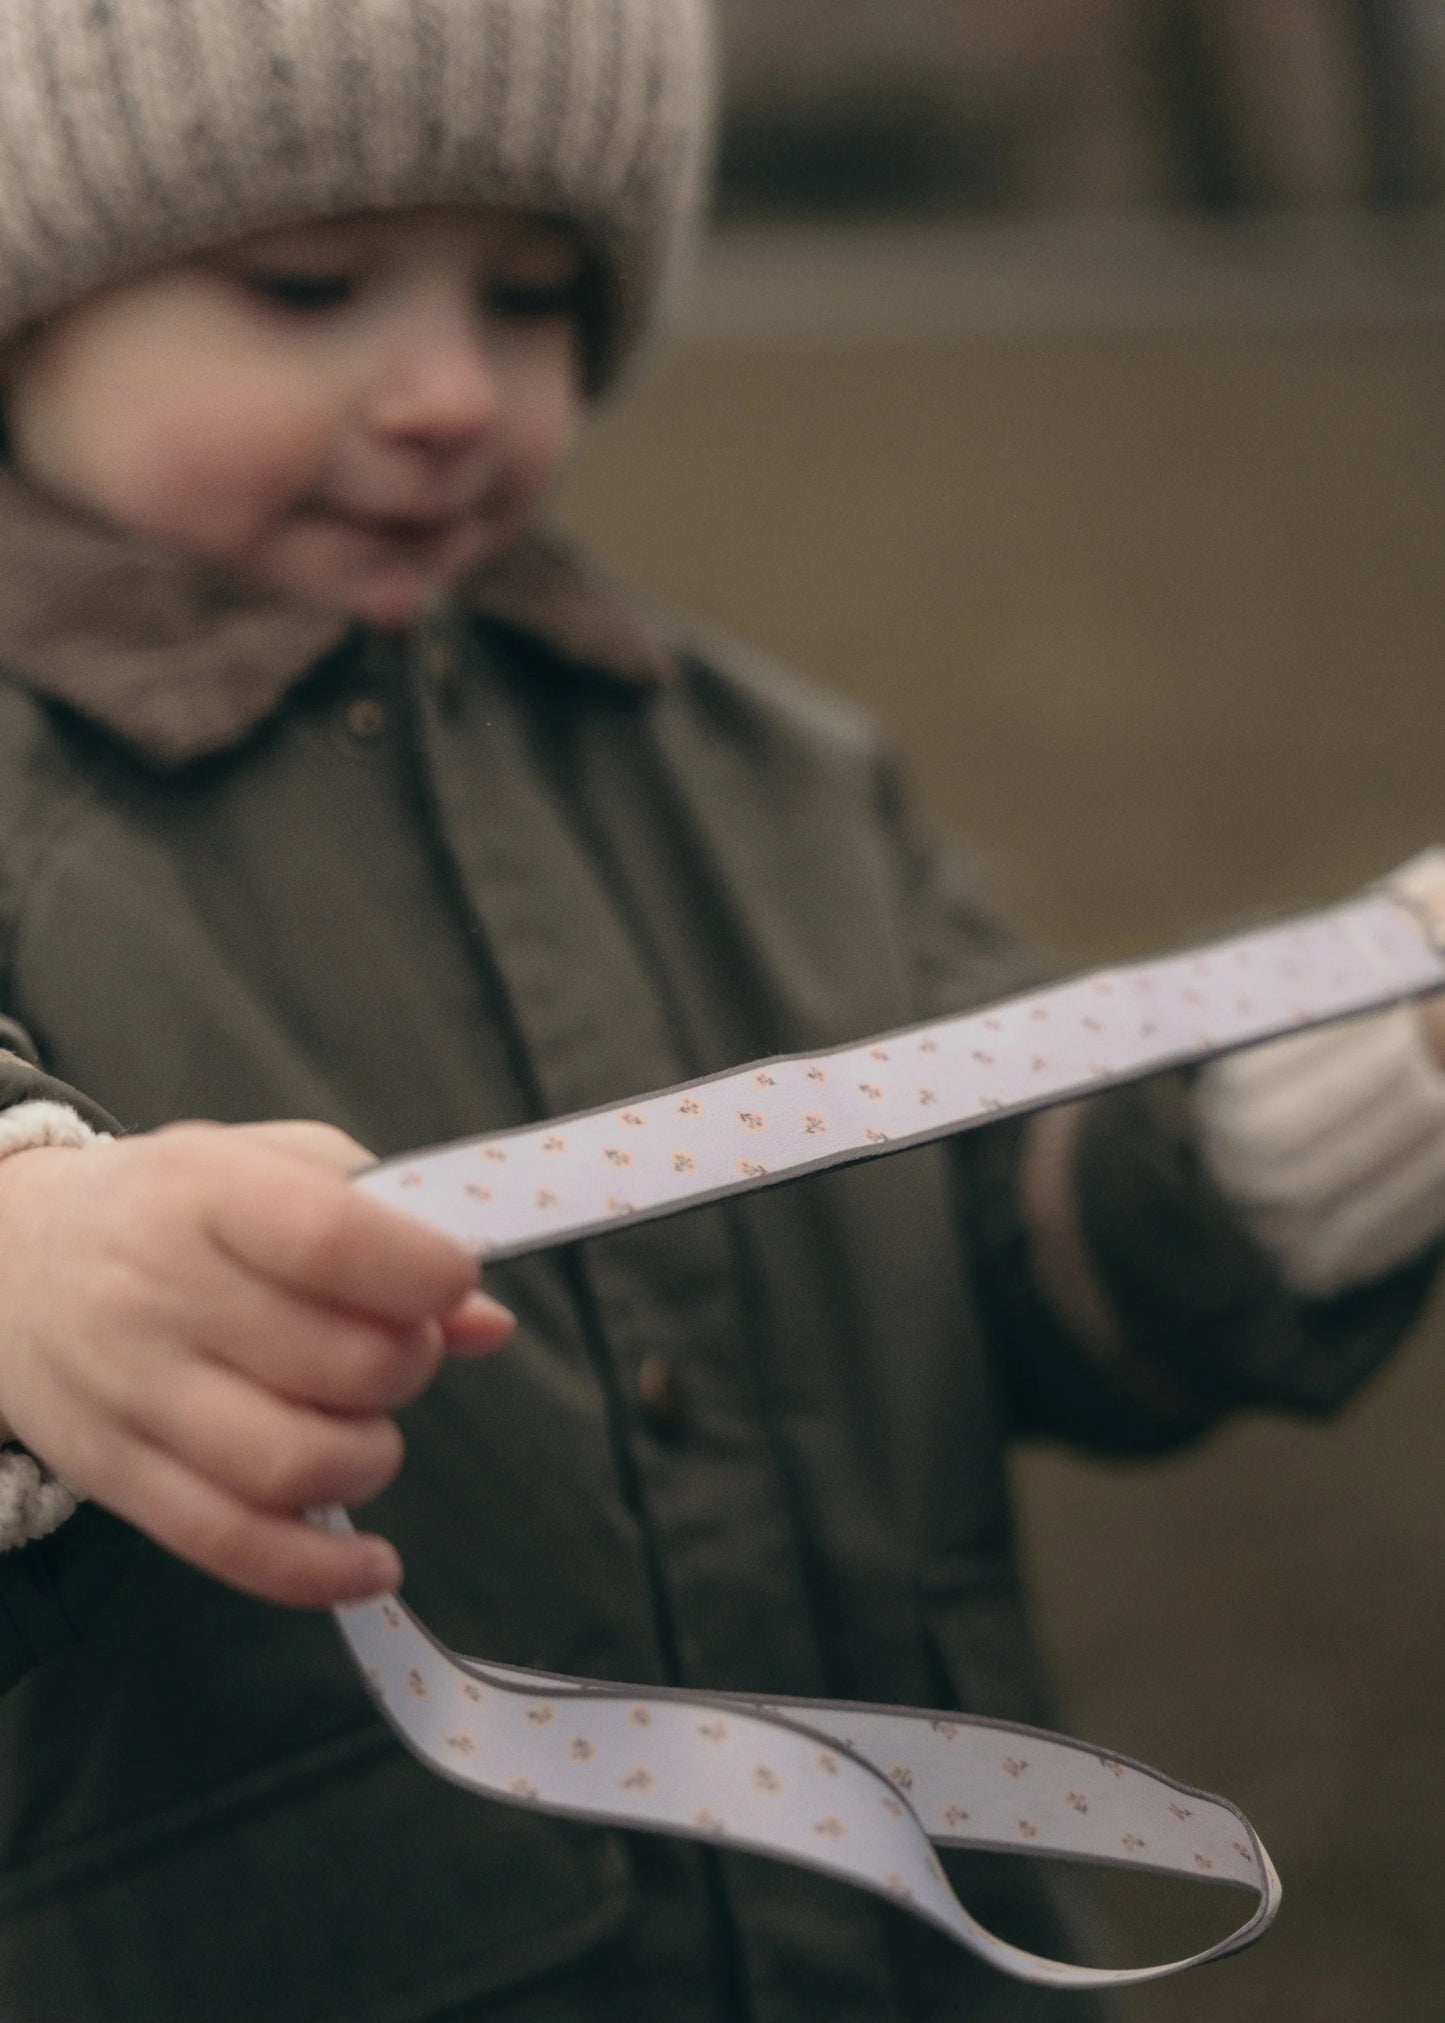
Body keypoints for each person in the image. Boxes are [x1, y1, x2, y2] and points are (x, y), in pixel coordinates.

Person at [0, 4, 1442, 2019]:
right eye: (306, 285)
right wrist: (31, 1262)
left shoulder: (769, 775)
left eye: (526, 298)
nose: (441, 391)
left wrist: (1385, 1068)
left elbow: (1042, 1253)